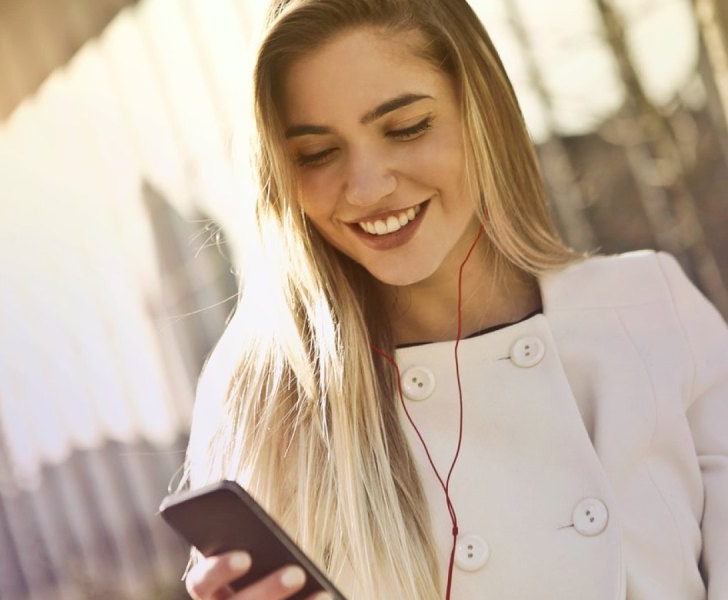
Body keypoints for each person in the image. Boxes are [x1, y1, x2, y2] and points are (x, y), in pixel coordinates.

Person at [181, 0, 728, 598]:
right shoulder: (268, 401)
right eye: (316, 154)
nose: (367, 188)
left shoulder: (648, 308)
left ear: (483, 114)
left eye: (407, 127)